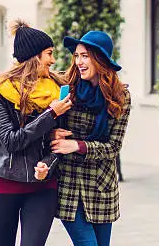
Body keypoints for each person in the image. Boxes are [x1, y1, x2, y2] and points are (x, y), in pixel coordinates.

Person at [0, 19, 72, 246]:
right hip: (3, 184)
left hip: (42, 188)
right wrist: (50, 114)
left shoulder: (57, 89)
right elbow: (11, 141)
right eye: (48, 54)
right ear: (34, 56)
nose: (53, 60)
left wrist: (47, 163)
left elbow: (60, 139)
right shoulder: (0, 90)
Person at [50, 31, 131, 246]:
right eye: (76, 56)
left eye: (84, 56)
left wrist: (77, 145)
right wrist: (52, 132)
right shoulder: (67, 88)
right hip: (69, 187)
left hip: (101, 188)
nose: (79, 62)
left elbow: (113, 147)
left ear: (100, 58)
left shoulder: (119, 96)